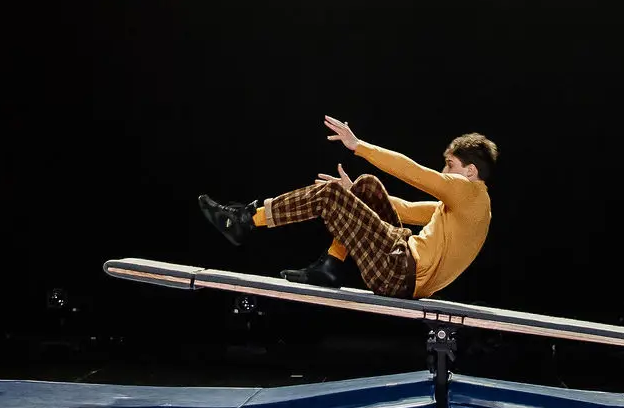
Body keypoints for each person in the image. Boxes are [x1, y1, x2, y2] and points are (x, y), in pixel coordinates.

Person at [198, 116, 496, 298]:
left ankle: (243, 220)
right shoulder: (467, 210)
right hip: (403, 270)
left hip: (399, 270)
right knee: (366, 186)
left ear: (471, 171)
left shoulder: (468, 192)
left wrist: (359, 146)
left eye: (450, 165)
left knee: (328, 195)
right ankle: (331, 266)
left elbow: (415, 173)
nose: (444, 172)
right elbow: (404, 209)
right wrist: (352, 197)